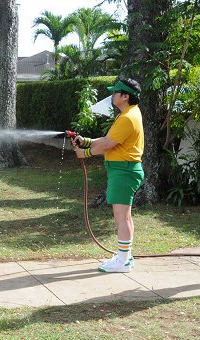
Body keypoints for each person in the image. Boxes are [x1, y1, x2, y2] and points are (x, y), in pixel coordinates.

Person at [72, 78, 145, 273]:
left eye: (116, 92)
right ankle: (125, 257)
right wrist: (86, 141)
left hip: (124, 171)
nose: (112, 95)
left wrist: (85, 153)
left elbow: (107, 145)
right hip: (124, 170)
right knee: (125, 216)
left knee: (121, 217)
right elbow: (108, 140)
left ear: (125, 96)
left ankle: (122, 262)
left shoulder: (128, 117)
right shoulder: (129, 114)